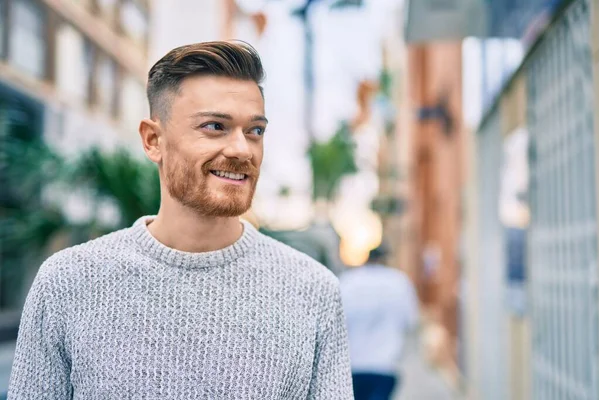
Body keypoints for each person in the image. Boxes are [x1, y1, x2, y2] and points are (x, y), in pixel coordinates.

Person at [8, 41, 353, 399]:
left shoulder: (313, 290)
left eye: (255, 131)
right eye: (215, 126)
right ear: (153, 140)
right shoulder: (67, 282)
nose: (241, 149)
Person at [340, 244, 419, 400]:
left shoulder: (347, 282)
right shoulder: (399, 282)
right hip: (385, 364)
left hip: (352, 365)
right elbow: (411, 321)